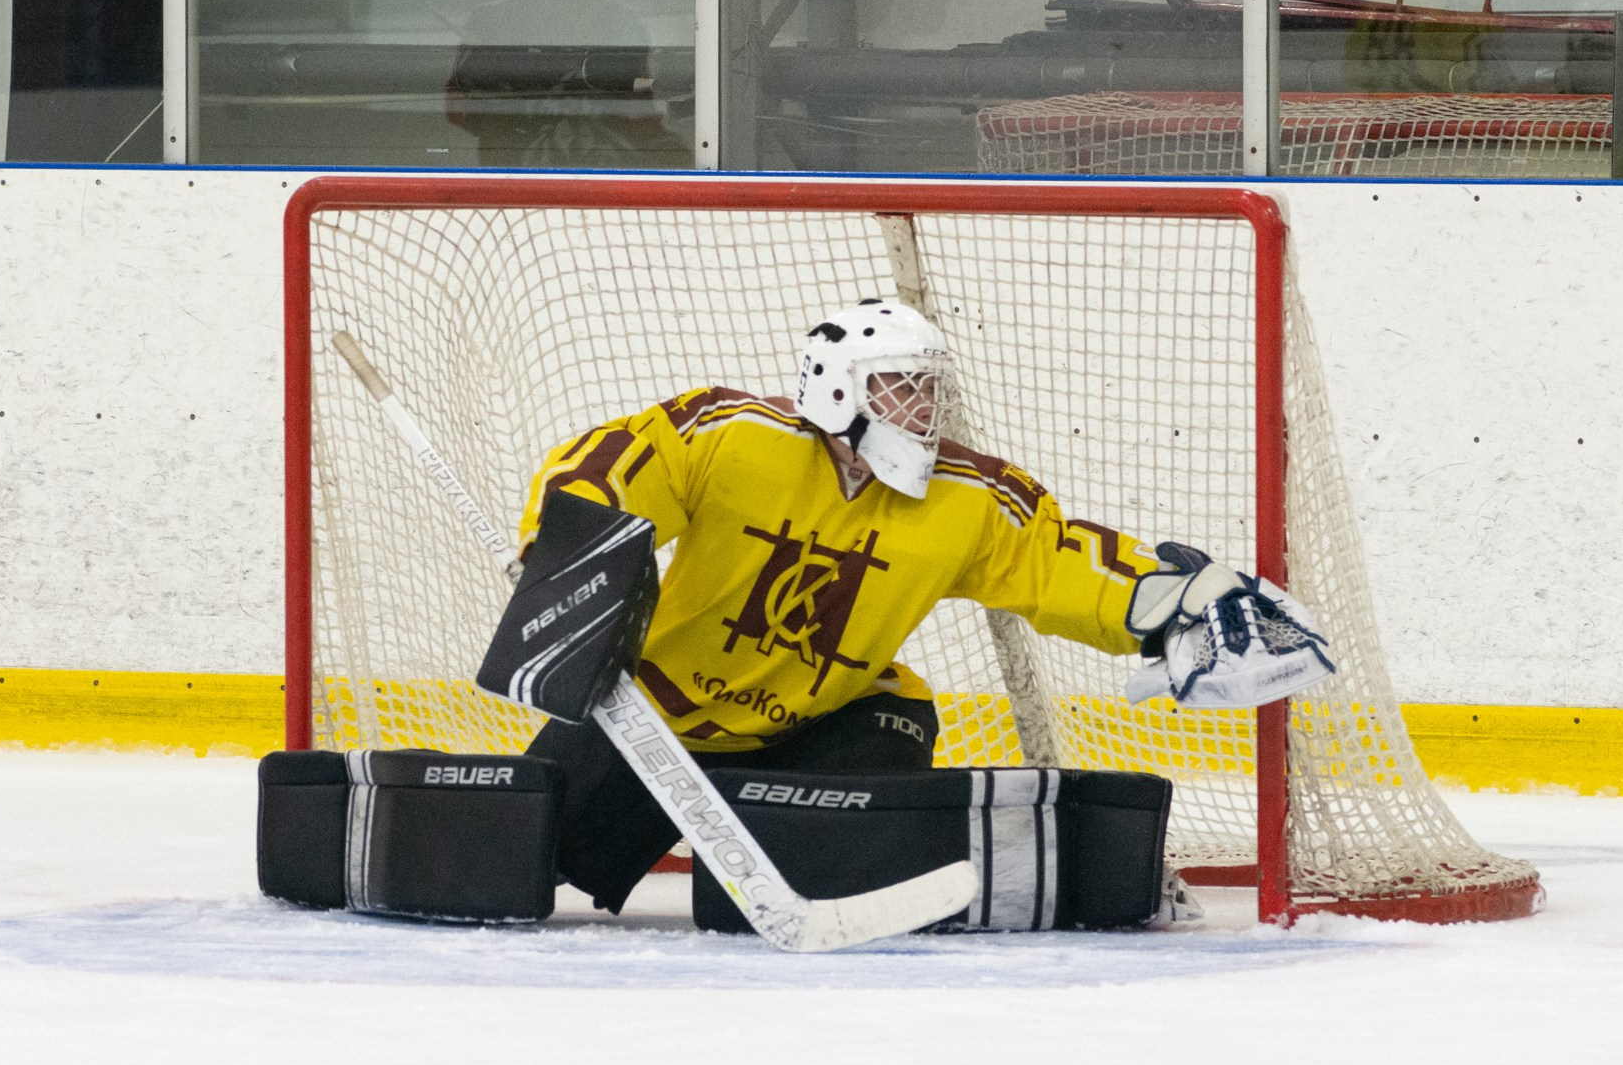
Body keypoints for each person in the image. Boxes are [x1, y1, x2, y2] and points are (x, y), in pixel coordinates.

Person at [521, 299, 1327, 913]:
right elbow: (615, 465)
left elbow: (1054, 560)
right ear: (838, 386)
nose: (926, 407)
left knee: (840, 872)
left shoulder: (964, 498)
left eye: (931, 387)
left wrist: (1166, 598)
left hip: (837, 723)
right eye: (903, 385)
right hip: (657, 713)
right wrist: (563, 544)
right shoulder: (734, 436)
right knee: (518, 857)